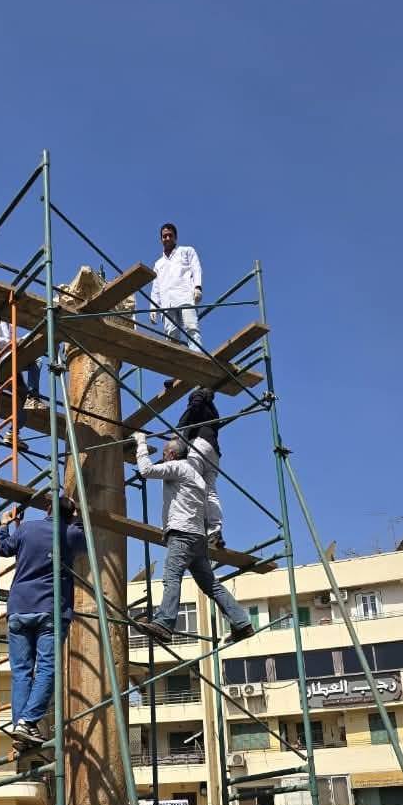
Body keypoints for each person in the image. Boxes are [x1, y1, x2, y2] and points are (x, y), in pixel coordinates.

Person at [133, 432, 253, 644]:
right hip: (197, 538)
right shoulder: (197, 476)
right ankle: (242, 623)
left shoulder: (178, 467)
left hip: (182, 535)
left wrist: (141, 442)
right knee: (211, 586)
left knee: (172, 578)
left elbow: (146, 470)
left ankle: (164, 624)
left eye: (164, 454)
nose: (163, 457)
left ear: (171, 454)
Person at [0, 495, 86, 746]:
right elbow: (84, 540)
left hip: (18, 608)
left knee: (21, 672)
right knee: (47, 668)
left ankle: (20, 729)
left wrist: (3, 526)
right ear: (71, 514)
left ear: (47, 509)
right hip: (49, 609)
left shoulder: (26, 529)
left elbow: (3, 548)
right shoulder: (70, 533)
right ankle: (27, 721)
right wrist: (76, 517)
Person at [0, 316, 41, 445]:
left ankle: (13, 433)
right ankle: (33, 396)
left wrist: (15, 342)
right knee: (36, 360)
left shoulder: (8, 316)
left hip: (7, 356)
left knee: (23, 396)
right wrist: (12, 342)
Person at [177, 386, 223, 546]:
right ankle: (214, 530)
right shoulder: (213, 410)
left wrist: (180, 426)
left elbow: (194, 407)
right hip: (214, 452)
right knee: (210, 491)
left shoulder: (198, 395)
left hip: (199, 444)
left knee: (190, 483)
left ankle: (189, 524)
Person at [149, 222, 203, 351]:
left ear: (175, 237)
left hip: (185, 296)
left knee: (191, 328)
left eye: (170, 235)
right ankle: (176, 364)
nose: (167, 238)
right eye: (164, 236)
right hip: (167, 303)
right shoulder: (158, 264)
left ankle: (198, 358)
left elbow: (196, 268)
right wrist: (153, 307)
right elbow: (155, 287)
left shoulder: (186, 251)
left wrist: (198, 287)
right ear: (161, 239)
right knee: (171, 335)